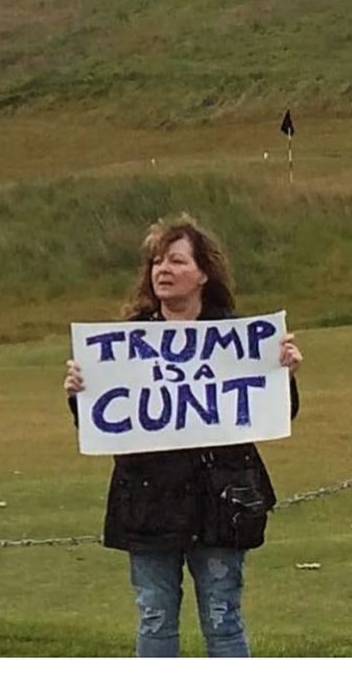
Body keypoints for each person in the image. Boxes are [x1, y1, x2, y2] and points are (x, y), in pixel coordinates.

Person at [64, 214, 303, 657]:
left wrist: (281, 372)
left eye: (176, 260)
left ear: (203, 273)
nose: (162, 271)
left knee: (223, 619)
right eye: (156, 262)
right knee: (154, 619)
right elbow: (103, 425)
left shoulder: (239, 340)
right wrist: (81, 393)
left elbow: (277, 411)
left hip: (220, 502)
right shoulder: (125, 344)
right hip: (149, 502)